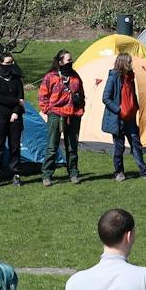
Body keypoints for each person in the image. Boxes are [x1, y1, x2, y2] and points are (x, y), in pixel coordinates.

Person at [101, 52, 146, 182]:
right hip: (118, 118)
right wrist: (118, 109)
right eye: (129, 62)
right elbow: (105, 98)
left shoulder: (130, 76)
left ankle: (144, 171)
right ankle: (119, 172)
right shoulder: (113, 77)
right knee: (119, 147)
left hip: (130, 118)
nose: (131, 64)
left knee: (136, 145)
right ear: (123, 63)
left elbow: (132, 94)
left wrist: (135, 107)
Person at [37, 49, 83, 187]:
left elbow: (82, 94)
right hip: (56, 114)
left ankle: (73, 173)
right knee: (52, 146)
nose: (71, 62)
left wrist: (79, 105)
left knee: (72, 146)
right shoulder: (51, 77)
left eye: (71, 60)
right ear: (60, 62)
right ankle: (47, 175)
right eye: (68, 60)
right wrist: (48, 110)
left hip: (73, 115)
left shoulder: (75, 77)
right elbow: (42, 96)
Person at [0, 53, 25, 188]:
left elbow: (21, 96)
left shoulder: (17, 79)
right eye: (7, 63)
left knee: (15, 146)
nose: (10, 66)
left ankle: (15, 173)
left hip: (15, 116)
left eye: (12, 63)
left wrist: (16, 111)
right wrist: (17, 102)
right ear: (1, 63)